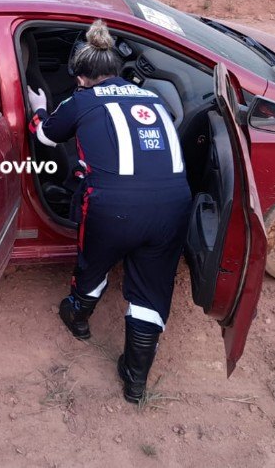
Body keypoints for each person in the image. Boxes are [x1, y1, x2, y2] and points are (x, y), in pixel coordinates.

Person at [26, 20, 191, 404]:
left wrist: (38, 108)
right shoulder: (154, 99)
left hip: (112, 208)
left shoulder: (81, 100)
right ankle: (135, 381)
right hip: (173, 205)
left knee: (94, 262)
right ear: (116, 71)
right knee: (151, 289)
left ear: (80, 77)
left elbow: (45, 135)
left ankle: (78, 318)